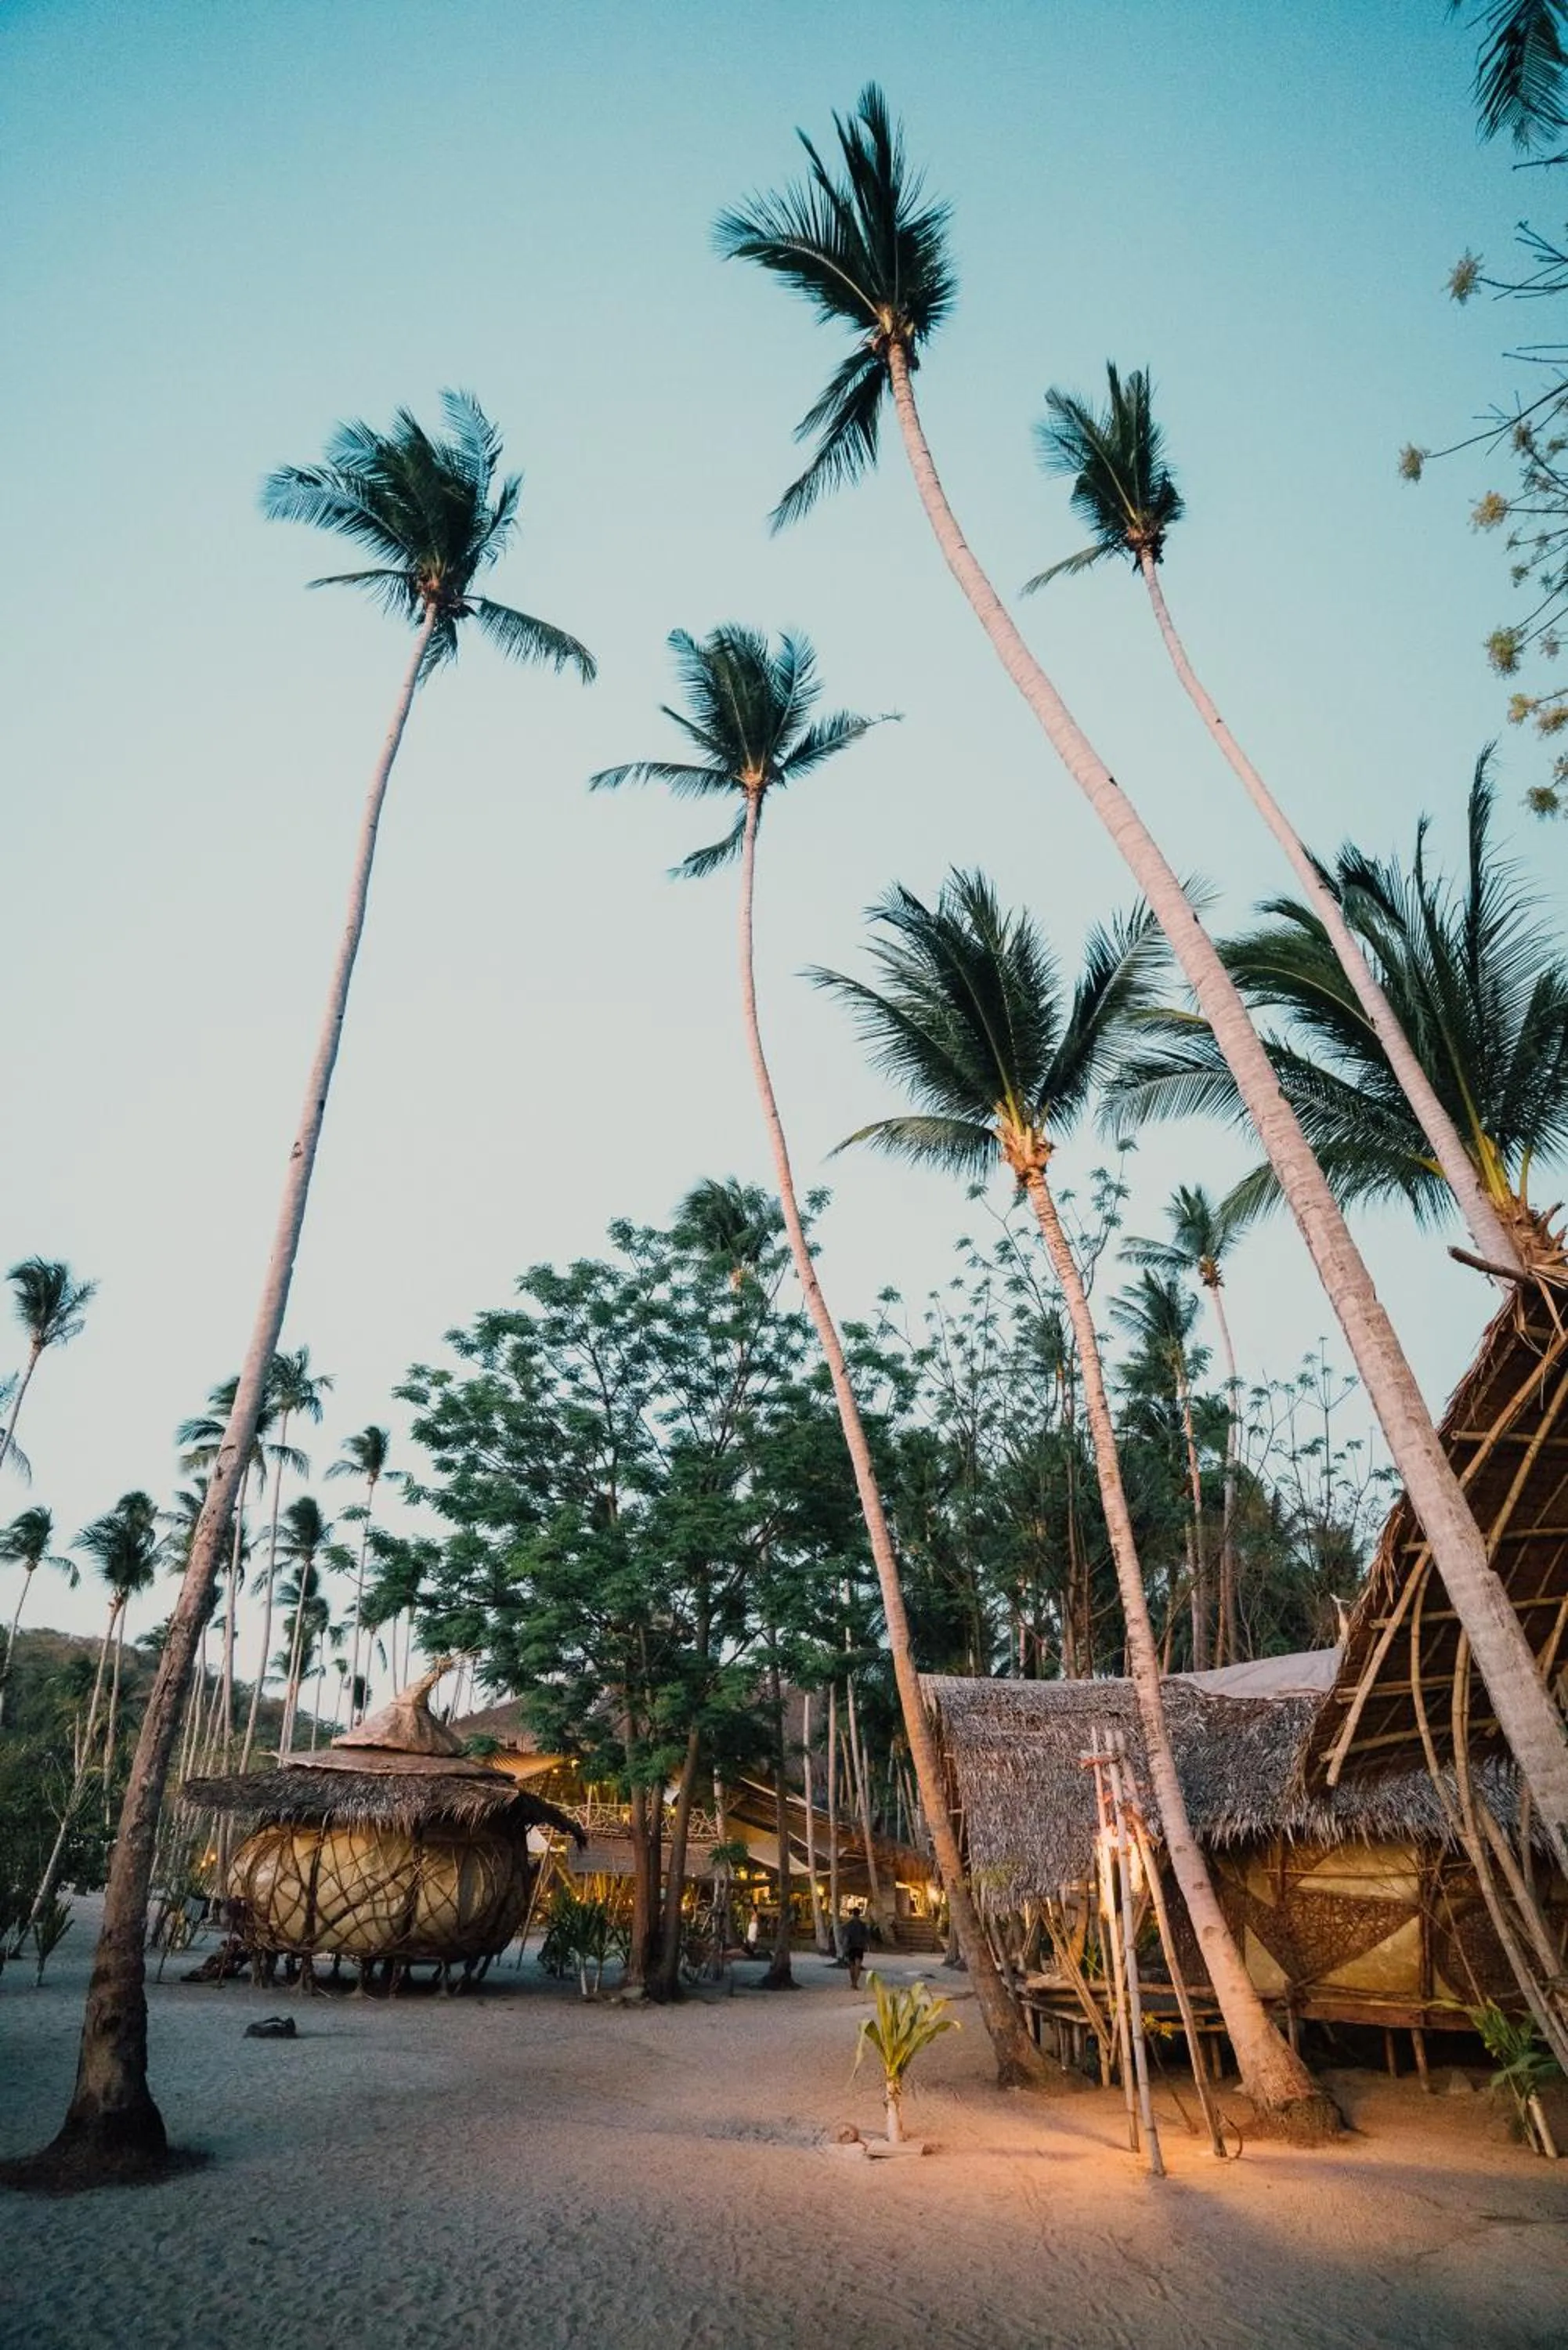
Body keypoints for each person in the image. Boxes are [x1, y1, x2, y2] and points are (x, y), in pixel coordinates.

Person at [843, 1908, 869, 1991]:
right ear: (859, 1914)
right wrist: (866, 1945)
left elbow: (846, 1937)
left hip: (851, 1947)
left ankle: (853, 1983)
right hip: (859, 1947)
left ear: (852, 1914)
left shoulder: (848, 1925)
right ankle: (855, 1983)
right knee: (858, 1965)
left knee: (851, 1965)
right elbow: (866, 1937)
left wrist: (845, 1948)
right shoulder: (863, 1925)